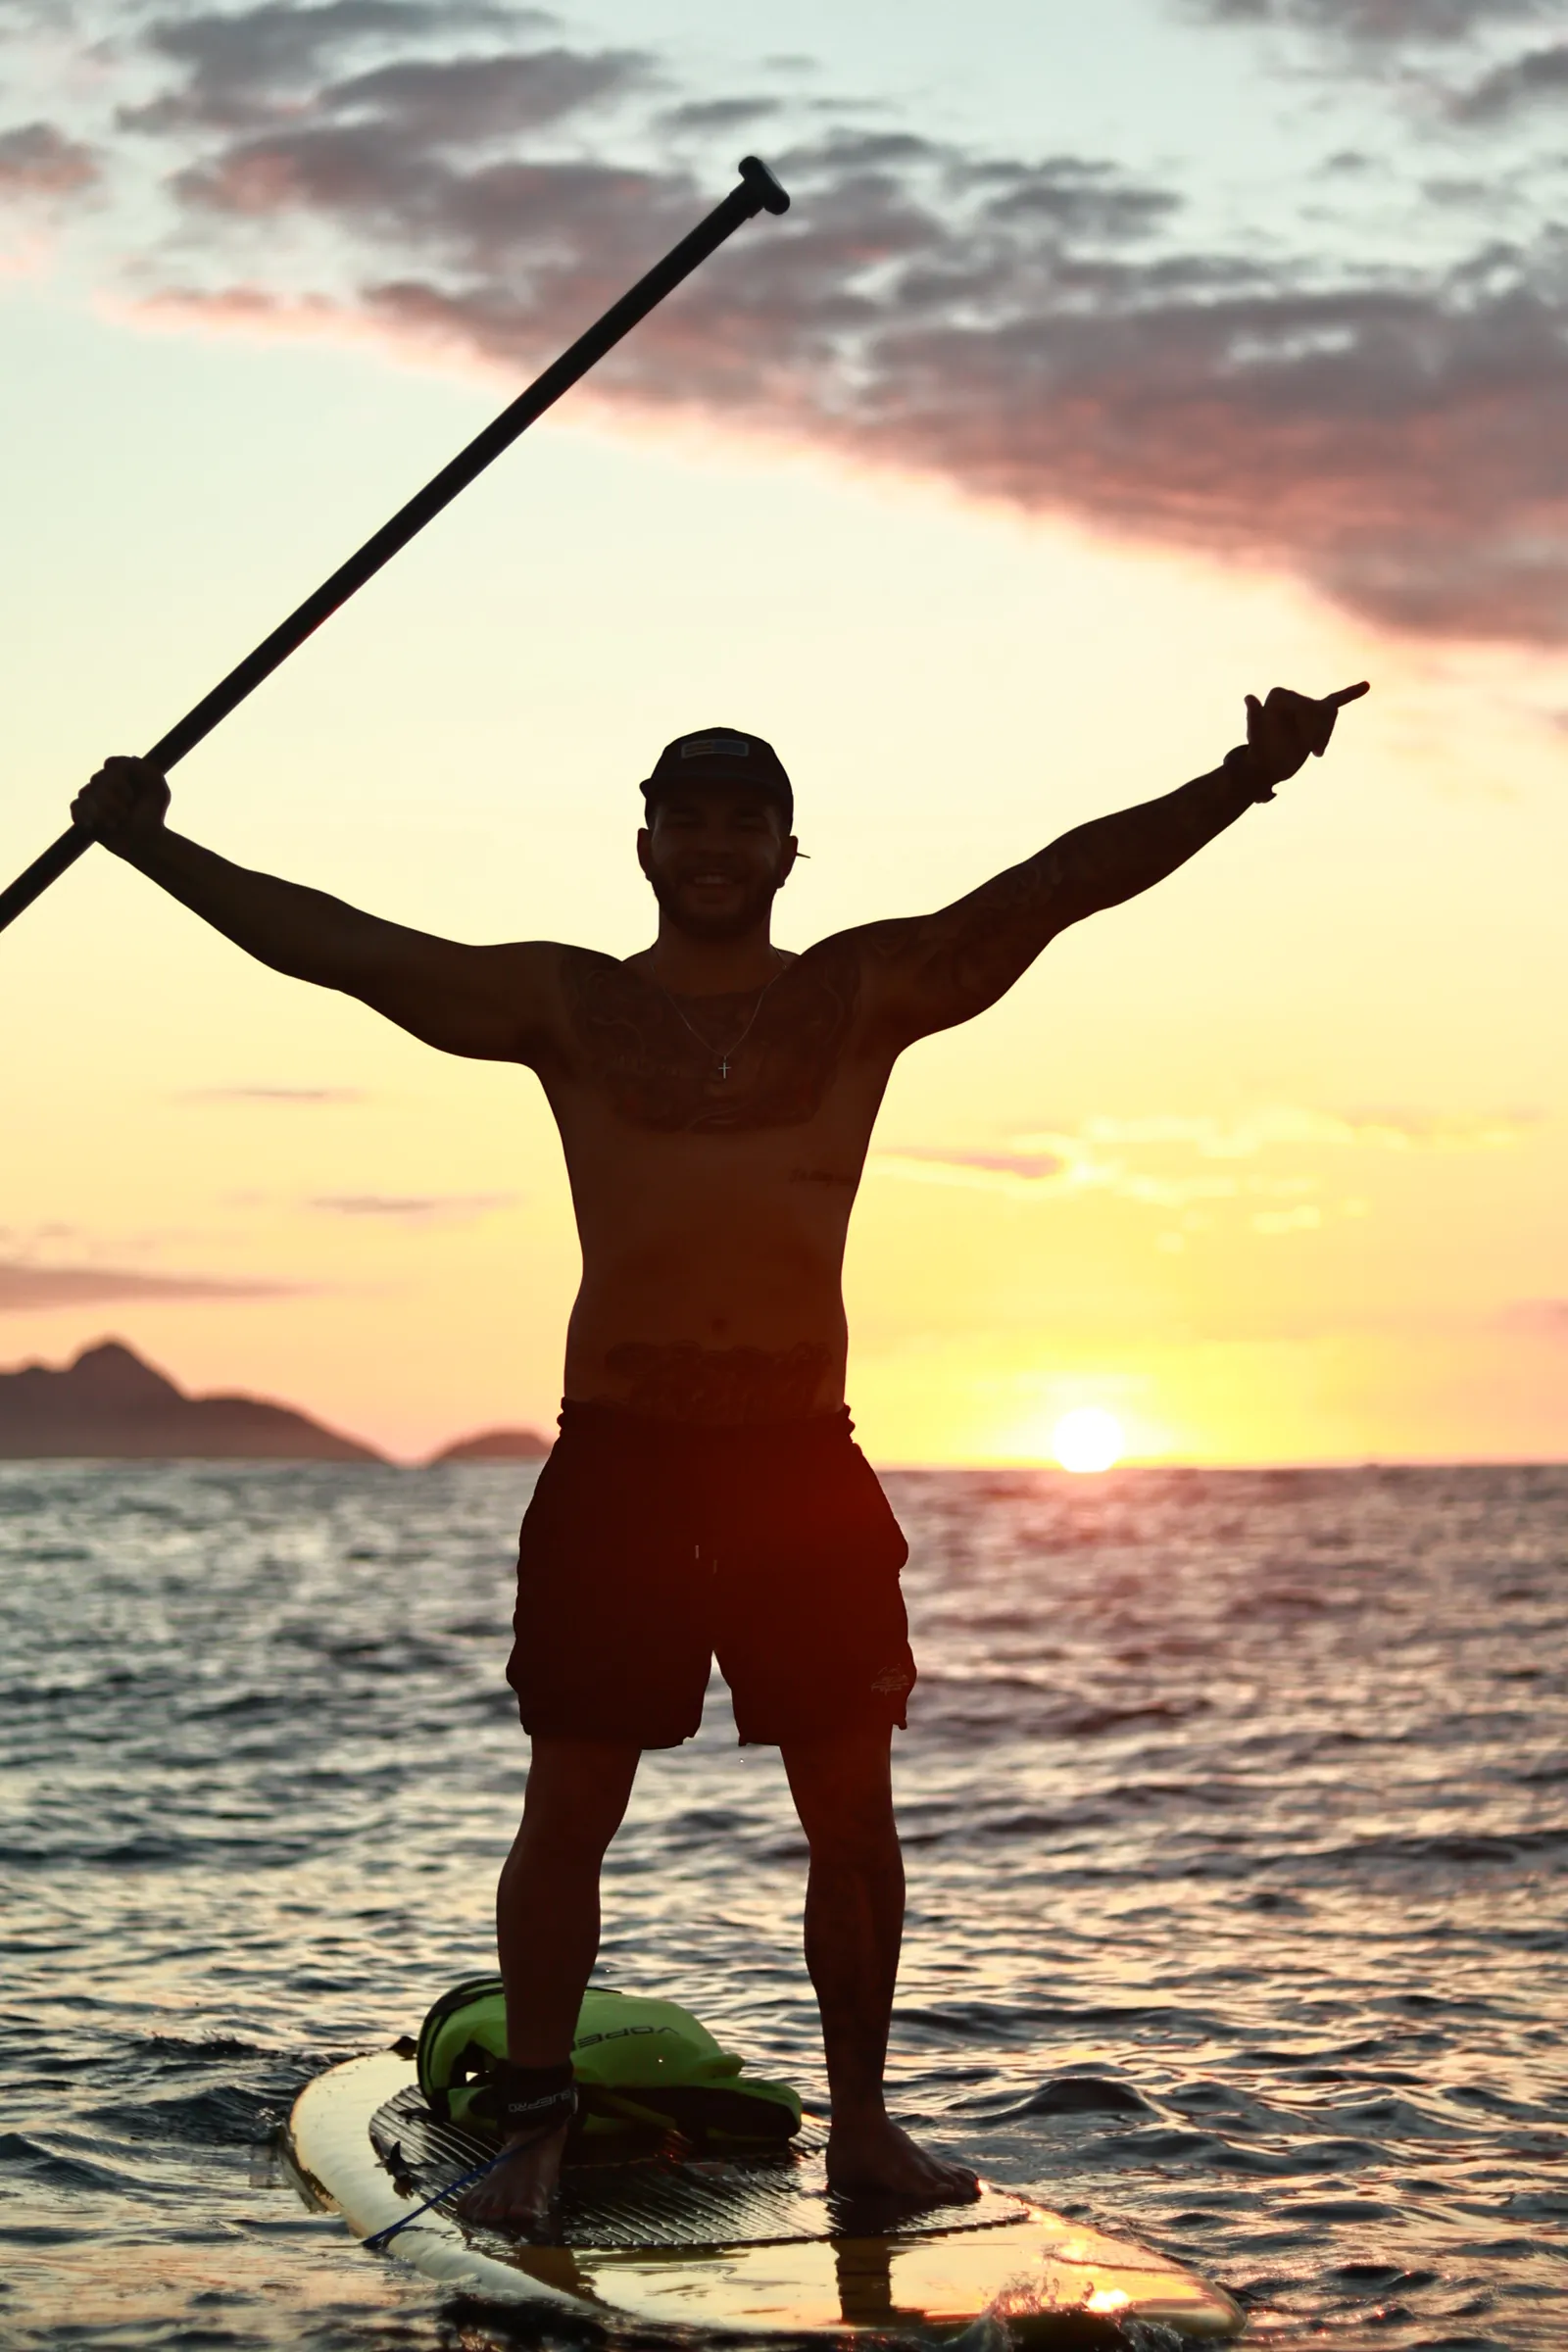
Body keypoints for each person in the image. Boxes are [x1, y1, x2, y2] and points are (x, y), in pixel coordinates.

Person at [74, 681, 1367, 2229]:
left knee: (854, 1813)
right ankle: (535, 2133)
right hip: (620, 1464)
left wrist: (1248, 774)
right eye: (687, 817)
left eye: (744, 819)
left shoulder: (864, 995)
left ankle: (870, 2130)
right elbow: (351, 953)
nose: (713, 842)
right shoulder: (568, 1007)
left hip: (798, 1471)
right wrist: (154, 852)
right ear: (644, 842)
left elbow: (1061, 884)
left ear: (788, 848)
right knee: (570, 1805)